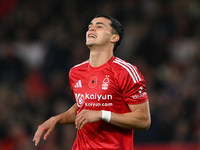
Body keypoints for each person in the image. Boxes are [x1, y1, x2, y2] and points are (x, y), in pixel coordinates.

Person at [33, 14, 151, 150]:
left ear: (114, 37)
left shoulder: (126, 72)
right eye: (90, 27)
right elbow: (83, 106)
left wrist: (102, 114)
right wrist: (56, 119)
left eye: (99, 26)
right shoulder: (75, 72)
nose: (91, 29)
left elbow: (144, 120)